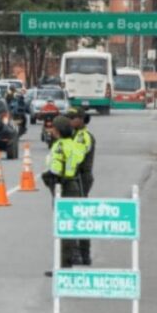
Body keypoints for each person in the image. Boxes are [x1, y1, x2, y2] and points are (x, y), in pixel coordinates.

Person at [42, 114, 87, 276]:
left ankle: (62, 266)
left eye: (53, 127)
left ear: (58, 130)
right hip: (73, 183)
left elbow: (54, 167)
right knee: (69, 228)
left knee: (62, 229)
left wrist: (48, 177)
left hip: (62, 186)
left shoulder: (59, 145)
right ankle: (65, 264)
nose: (51, 130)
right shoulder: (74, 144)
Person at [67, 107, 95, 265]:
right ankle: (80, 253)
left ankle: (81, 253)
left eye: (72, 118)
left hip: (81, 178)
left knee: (79, 215)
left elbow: (76, 158)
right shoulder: (75, 134)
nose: (69, 121)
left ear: (81, 119)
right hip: (77, 178)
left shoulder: (83, 136)